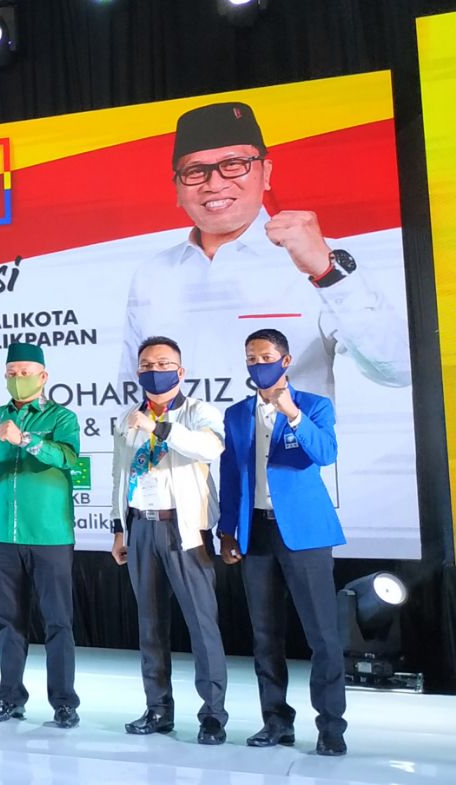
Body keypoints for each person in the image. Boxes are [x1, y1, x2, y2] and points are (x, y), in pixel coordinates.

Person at [121, 101, 411, 402]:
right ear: (178, 189)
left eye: (234, 164)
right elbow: (129, 391)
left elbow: (398, 370)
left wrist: (327, 273)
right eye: (195, 171)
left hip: (283, 434)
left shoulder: (324, 259)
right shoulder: (153, 273)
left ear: (266, 172)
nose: (215, 184)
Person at [217, 328, 347, 757]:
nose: (259, 364)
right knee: (265, 635)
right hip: (256, 532)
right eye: (251, 358)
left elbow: (325, 454)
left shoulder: (314, 405)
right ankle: (275, 721)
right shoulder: (237, 414)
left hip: (305, 534)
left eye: (266, 357)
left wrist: (292, 414)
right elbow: (231, 474)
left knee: (322, 635)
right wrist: (227, 530)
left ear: (286, 361)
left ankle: (331, 727)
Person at [110, 337, 229, 744]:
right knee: (150, 625)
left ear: (180, 371)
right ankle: (158, 708)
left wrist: (160, 428)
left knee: (202, 624)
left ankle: (212, 714)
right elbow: (119, 473)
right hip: (141, 527)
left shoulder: (198, 412)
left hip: (184, 529)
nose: (154, 370)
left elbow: (210, 448)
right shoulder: (129, 417)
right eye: (146, 364)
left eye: (163, 364)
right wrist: (119, 527)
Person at [0, 342, 81, 728]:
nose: (18, 379)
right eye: (12, 373)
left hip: (50, 535)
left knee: (58, 622)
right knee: (8, 622)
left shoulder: (61, 417)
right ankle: (10, 698)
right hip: (2, 535)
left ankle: (64, 702)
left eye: (25, 373)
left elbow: (68, 457)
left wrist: (26, 440)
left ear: (43, 376)